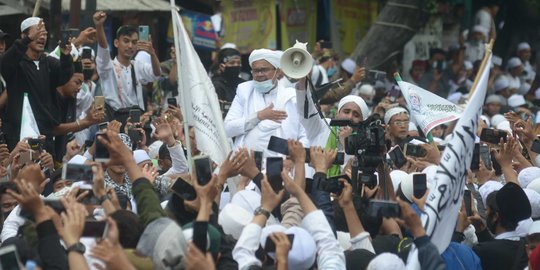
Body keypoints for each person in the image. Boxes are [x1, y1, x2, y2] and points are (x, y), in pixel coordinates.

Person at [1, 17, 73, 154]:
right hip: (19, 137)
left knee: (44, 174)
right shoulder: (16, 64)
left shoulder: (49, 63)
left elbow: (64, 77)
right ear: (24, 35)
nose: (42, 37)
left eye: (45, 34)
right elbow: (5, 64)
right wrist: (26, 40)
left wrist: (65, 56)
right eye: (38, 33)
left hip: (45, 136)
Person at [224, 48, 307, 152]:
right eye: (256, 71)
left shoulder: (291, 97)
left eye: (264, 70)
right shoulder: (244, 91)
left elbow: (304, 134)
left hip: (283, 162)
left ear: (277, 72)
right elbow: (228, 129)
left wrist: (293, 157)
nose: (259, 74)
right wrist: (258, 116)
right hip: (247, 162)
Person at [93, 11, 160, 127]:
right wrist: (99, 26)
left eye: (134, 42)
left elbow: (156, 74)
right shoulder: (108, 67)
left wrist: (152, 53)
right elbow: (103, 49)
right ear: (116, 43)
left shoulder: (138, 65)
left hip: (136, 119)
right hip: (114, 121)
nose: (130, 46)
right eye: (126, 41)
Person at [472, 182, 531, 270]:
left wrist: (459, 233)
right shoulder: (529, 245)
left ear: (495, 216)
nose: (485, 213)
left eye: (487, 209)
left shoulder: (481, 251)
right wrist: (481, 230)